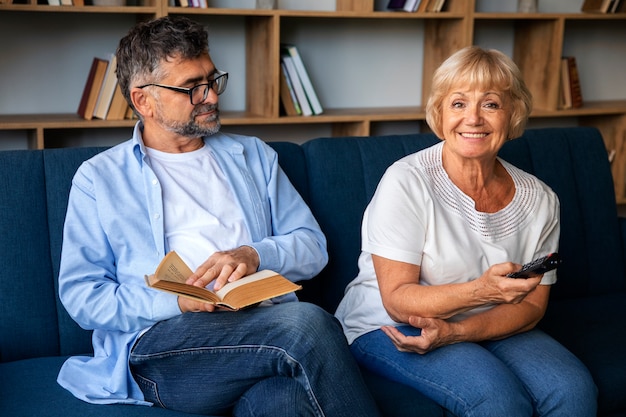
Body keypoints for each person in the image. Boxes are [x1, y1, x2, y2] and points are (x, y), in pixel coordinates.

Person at [57, 15, 380, 417]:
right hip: (162, 346)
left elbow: (312, 246)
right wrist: (177, 302)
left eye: (212, 80)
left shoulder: (254, 156)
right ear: (144, 101)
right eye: (192, 87)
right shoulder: (99, 179)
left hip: (260, 328)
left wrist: (253, 254)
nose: (211, 96)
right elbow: (82, 296)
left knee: (282, 400)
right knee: (308, 325)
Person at [335, 46, 598, 417]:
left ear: (513, 113)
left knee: (573, 390)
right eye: (458, 103)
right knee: (498, 400)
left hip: (484, 319)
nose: (473, 118)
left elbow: (534, 306)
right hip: (390, 323)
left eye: (490, 104)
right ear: (440, 113)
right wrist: (482, 291)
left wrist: (462, 331)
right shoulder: (406, 182)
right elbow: (397, 299)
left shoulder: (541, 199)